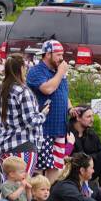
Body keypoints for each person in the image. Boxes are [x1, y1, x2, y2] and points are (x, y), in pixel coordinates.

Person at [0, 54, 48, 176]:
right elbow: (31, 121)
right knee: (23, 184)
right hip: (23, 144)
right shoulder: (23, 91)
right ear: (21, 69)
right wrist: (43, 114)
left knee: (8, 185)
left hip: (3, 143)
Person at [27, 39, 71, 181]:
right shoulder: (36, 71)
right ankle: (37, 199)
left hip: (59, 128)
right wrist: (60, 73)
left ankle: (47, 196)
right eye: (58, 55)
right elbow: (47, 89)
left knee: (55, 167)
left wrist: (70, 107)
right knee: (40, 167)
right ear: (47, 54)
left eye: (62, 54)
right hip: (43, 129)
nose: (61, 58)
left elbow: (63, 92)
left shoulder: (58, 72)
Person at [67, 105, 101, 188]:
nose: (92, 119)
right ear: (78, 118)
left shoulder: (91, 134)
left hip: (90, 170)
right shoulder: (67, 133)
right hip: (74, 172)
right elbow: (66, 157)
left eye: (92, 116)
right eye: (88, 116)